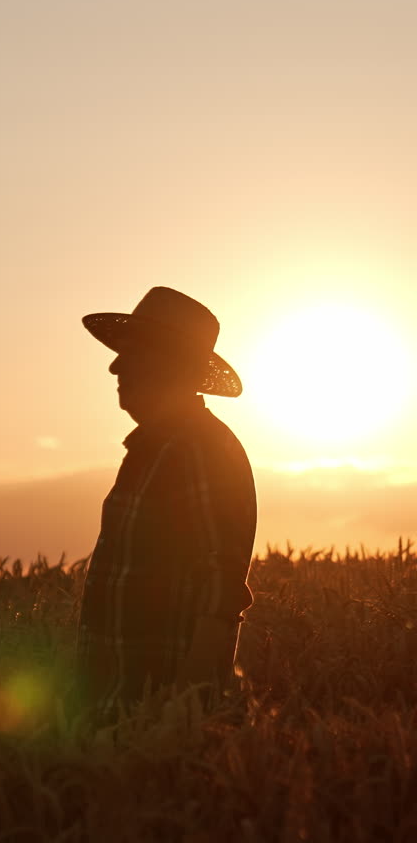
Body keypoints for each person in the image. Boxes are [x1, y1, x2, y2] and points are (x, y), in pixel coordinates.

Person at [76, 285, 257, 723]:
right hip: (125, 714)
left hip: (158, 720)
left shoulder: (197, 449)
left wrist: (184, 707)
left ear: (167, 364)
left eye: (131, 352)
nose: (114, 365)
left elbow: (221, 593)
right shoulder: (156, 449)